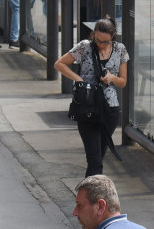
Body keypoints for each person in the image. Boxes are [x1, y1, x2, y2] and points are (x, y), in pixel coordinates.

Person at [54, 17, 129, 176]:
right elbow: (59, 64)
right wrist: (79, 79)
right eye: (98, 40)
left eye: (105, 42)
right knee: (94, 160)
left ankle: (88, 195)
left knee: (98, 158)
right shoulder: (85, 47)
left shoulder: (120, 49)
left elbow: (123, 82)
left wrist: (111, 78)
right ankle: (94, 197)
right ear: (93, 35)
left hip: (110, 108)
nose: (101, 45)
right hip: (87, 107)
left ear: (113, 37)